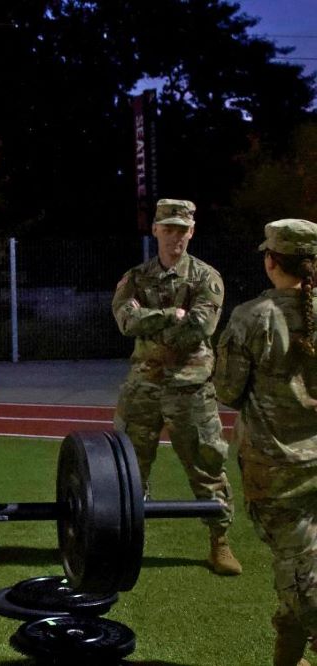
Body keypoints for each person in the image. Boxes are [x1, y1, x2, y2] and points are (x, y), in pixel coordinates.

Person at [111, 198, 241, 575]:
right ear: (155, 230)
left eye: (182, 230)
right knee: (130, 469)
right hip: (143, 387)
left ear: (192, 232)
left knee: (207, 463)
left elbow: (200, 327)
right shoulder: (135, 277)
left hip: (191, 386)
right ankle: (127, 540)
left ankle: (219, 541)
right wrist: (169, 314)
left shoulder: (206, 278)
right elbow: (124, 320)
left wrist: (146, 319)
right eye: (168, 229)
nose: (175, 238)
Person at [213, 219, 317, 666]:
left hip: (278, 472)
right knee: (303, 573)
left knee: (301, 581)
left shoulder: (253, 317)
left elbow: (227, 391)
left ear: (271, 261)